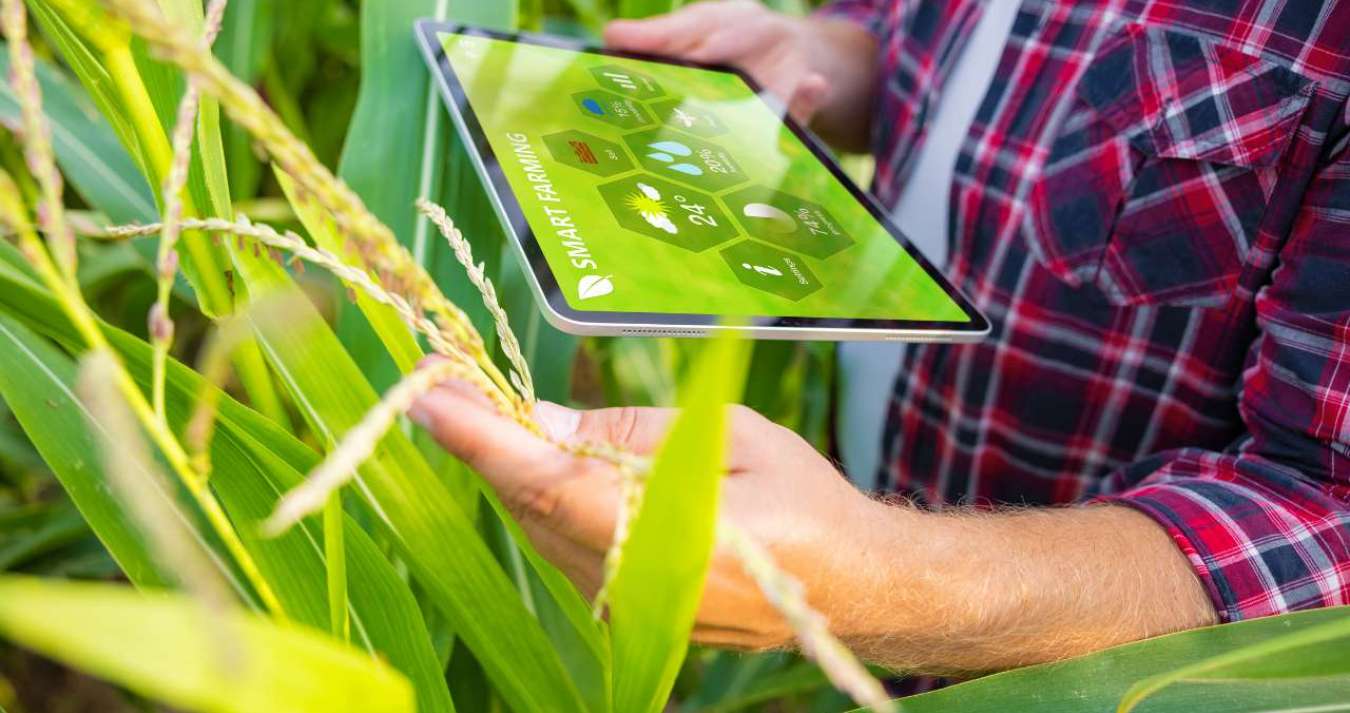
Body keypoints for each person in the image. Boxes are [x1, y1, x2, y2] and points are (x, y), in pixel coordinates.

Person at [409, 0, 1350, 677]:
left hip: (1078, 680)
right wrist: (822, 50)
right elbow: (958, 42)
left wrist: (870, 581)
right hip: (861, 520)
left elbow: (1328, 516)